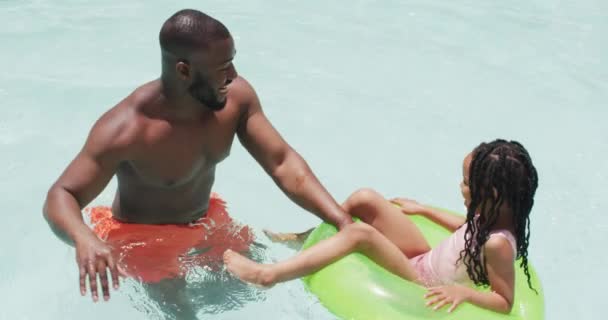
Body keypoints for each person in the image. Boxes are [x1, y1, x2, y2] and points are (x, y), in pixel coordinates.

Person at [42, 8, 352, 306]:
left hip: (206, 221)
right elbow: (61, 195)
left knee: (254, 293)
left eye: (232, 63)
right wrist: (84, 238)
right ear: (184, 70)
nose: (233, 75)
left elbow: (282, 163)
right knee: (182, 314)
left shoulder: (235, 101)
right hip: (144, 242)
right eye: (222, 68)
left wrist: (340, 220)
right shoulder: (127, 129)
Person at [224, 139, 538, 314]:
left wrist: (463, 294)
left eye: (467, 182)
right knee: (366, 199)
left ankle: (269, 276)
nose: (460, 186)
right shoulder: (494, 216)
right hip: (425, 258)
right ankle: (306, 239)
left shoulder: (499, 245)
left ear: (492, 194)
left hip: (420, 280)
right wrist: (424, 211)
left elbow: (505, 300)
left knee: (360, 234)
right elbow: (467, 228)